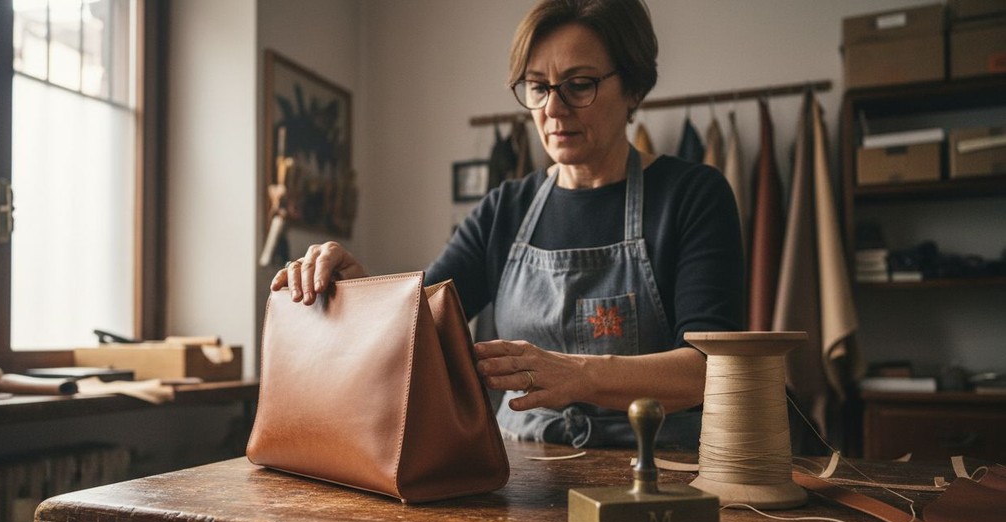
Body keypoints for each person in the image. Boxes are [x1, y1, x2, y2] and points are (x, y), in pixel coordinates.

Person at [271, 0, 743, 449]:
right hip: (520, 471)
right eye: (538, 86)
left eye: (579, 84)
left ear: (634, 88)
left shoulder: (692, 196)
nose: (553, 110)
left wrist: (579, 374)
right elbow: (417, 329)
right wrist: (358, 292)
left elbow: (708, 369)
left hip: (657, 473)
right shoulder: (505, 210)